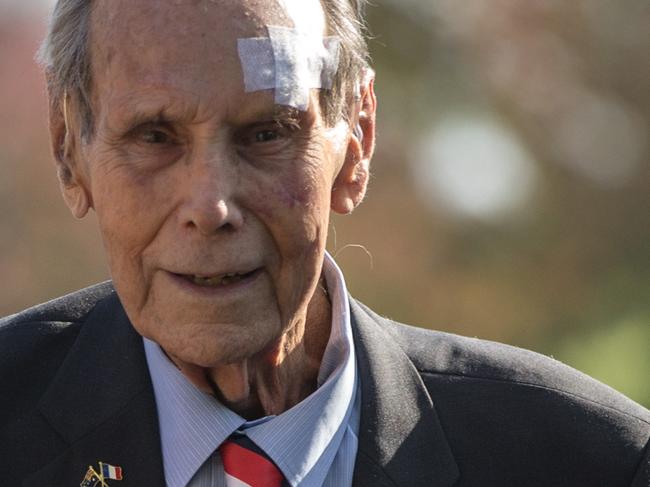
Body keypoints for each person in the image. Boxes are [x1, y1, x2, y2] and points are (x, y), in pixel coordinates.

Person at [0, 0, 648, 486]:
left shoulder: (590, 460)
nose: (211, 205)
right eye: (153, 136)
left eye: (265, 133)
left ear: (358, 139)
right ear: (67, 148)